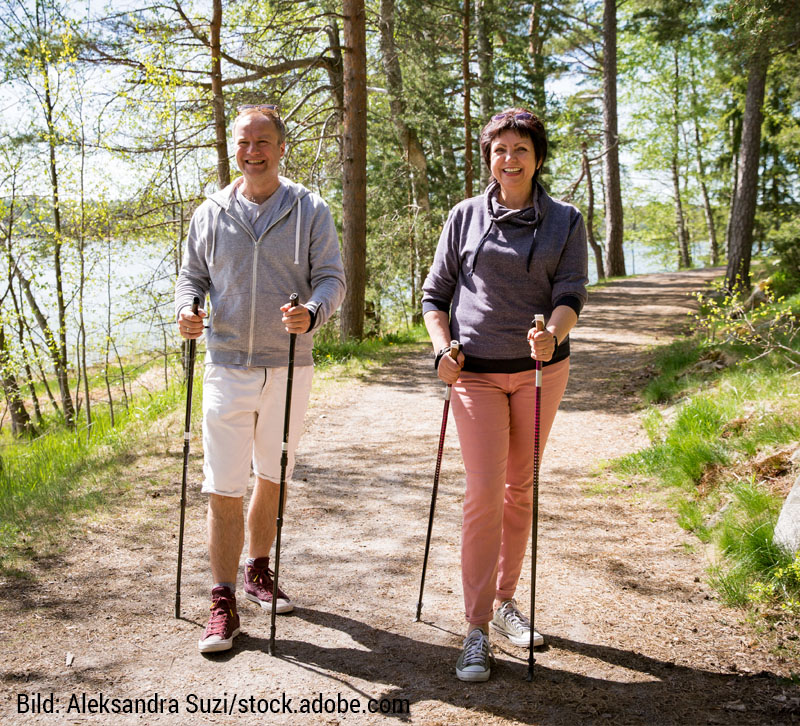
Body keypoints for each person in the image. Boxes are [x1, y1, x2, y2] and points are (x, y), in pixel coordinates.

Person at [421, 108, 588, 681]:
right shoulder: (464, 216)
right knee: (485, 492)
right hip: (476, 373)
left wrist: (554, 333)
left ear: (538, 157)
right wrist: (442, 348)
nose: (509, 159)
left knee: (521, 488)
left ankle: (506, 601)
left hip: (542, 371)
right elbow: (435, 295)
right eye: (499, 150)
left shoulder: (565, 220)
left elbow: (571, 291)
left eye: (520, 149)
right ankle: (475, 629)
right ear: (489, 158)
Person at [175, 104, 346, 653]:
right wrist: (188, 311)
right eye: (245, 142)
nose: (253, 151)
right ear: (234, 147)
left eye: (264, 141)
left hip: (288, 365)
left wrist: (313, 313)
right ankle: (221, 600)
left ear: (280, 146)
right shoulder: (210, 212)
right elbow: (191, 278)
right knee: (223, 484)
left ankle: (258, 569)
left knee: (271, 474)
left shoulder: (309, 208)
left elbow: (331, 279)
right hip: (225, 362)